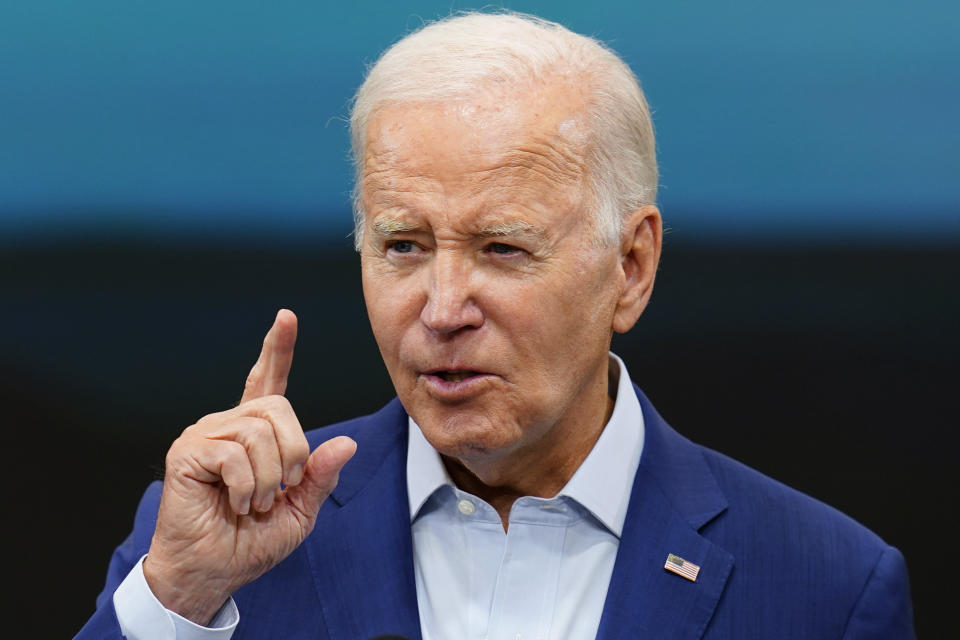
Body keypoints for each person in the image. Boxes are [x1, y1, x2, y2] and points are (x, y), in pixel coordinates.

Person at [76, 11, 915, 640]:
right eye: (403, 244)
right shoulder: (214, 546)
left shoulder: (827, 587)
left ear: (631, 268)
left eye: (503, 248)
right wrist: (177, 603)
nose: (441, 310)